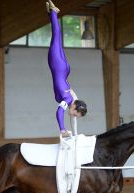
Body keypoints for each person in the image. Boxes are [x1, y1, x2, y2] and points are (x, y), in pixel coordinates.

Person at [46, 0, 87, 138]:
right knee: (56, 38)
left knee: (56, 40)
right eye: (76, 113)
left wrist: (75, 135)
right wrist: (62, 129)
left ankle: (51, 14)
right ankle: (54, 12)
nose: (74, 116)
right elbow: (59, 112)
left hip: (64, 69)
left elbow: (73, 120)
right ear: (75, 107)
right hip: (58, 65)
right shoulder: (67, 99)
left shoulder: (72, 99)